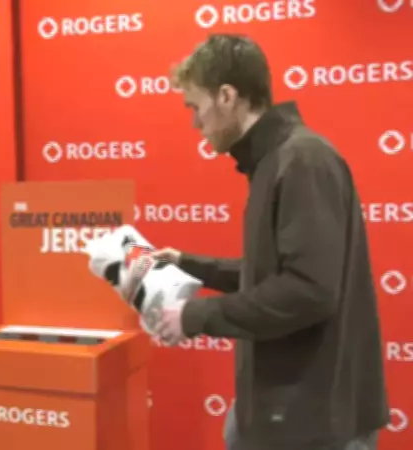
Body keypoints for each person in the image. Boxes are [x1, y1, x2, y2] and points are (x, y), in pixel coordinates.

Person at [151, 34, 388, 450]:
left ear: (227, 96)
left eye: (195, 107)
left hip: (312, 423)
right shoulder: (275, 161)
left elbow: (308, 290)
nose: (194, 123)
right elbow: (275, 275)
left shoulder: (301, 160)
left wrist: (194, 316)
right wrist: (188, 263)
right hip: (281, 410)